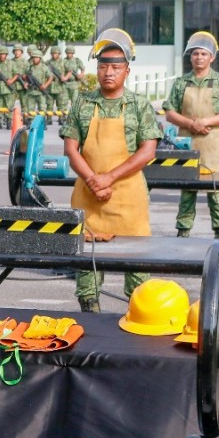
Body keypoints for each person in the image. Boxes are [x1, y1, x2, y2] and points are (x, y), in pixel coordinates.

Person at [61, 28, 160, 313]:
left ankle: (135, 333)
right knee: (87, 281)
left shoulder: (139, 105)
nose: (108, 73)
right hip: (88, 199)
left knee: (139, 280)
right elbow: (71, 149)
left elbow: (147, 150)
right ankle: (92, 329)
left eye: (115, 67)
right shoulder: (82, 102)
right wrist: (92, 179)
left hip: (128, 200)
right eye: (103, 66)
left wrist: (109, 178)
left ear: (127, 71)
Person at [163, 31, 219, 240]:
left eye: (203, 54)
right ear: (190, 57)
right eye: (195, 54)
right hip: (186, 142)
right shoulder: (181, 82)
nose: (199, 58)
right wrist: (191, 124)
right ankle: (183, 230)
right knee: (187, 190)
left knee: (216, 190)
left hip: (213, 142)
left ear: (211, 57)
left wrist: (205, 122)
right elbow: (169, 112)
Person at [22, 47, 53, 115]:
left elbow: (50, 77)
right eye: (33, 57)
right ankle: (31, 124)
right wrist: (26, 83)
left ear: (40, 58)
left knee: (42, 109)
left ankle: (41, 124)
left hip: (40, 92)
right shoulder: (29, 67)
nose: (35, 59)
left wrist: (45, 85)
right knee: (30, 110)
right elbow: (27, 79)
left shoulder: (44, 67)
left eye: (36, 57)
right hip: (31, 92)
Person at [46, 46, 70, 125]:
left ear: (59, 54)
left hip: (60, 85)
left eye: (56, 53)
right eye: (53, 53)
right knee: (49, 103)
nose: (54, 55)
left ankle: (61, 118)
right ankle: (49, 119)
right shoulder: (48, 63)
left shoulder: (63, 62)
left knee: (61, 104)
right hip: (50, 85)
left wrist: (65, 77)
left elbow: (70, 71)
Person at [10, 44, 28, 112]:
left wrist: (26, 82)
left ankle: (25, 117)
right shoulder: (10, 62)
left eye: (18, 50)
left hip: (22, 86)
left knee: (24, 103)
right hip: (13, 85)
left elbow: (29, 74)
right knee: (10, 103)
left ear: (21, 52)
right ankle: (8, 118)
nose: (16, 52)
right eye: (15, 51)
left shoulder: (25, 62)